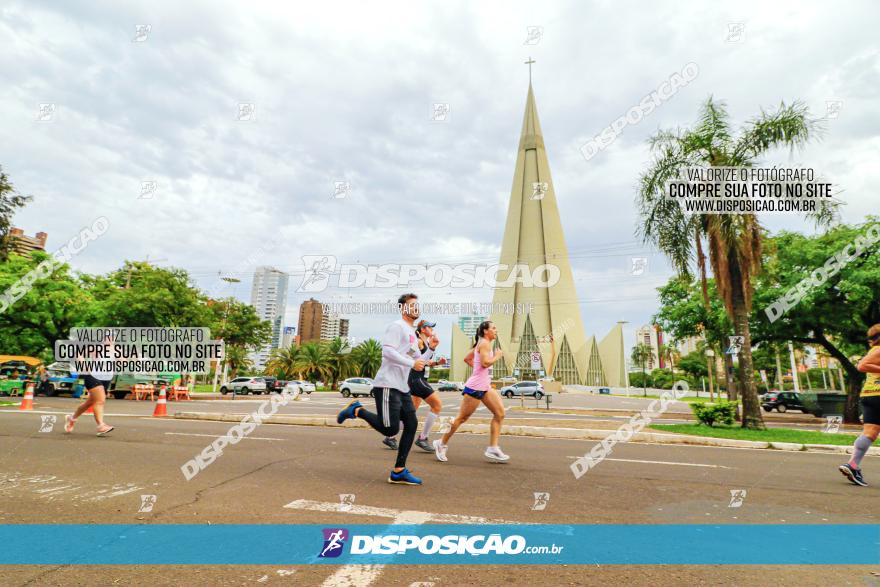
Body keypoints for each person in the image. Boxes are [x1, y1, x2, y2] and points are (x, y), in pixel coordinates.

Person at [337, 293, 426, 485]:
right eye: (412, 305)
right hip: (387, 385)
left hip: (402, 388)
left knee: (411, 424)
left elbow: (417, 361)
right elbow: (387, 351)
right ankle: (357, 410)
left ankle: (399, 471)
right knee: (390, 429)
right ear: (403, 308)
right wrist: (412, 362)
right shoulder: (397, 326)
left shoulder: (412, 333)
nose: (416, 308)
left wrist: (429, 355)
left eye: (418, 305)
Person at [433, 320, 509, 463]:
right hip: (475, 388)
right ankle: (440, 443)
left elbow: (467, 358)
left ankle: (493, 448)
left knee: (499, 414)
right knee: (461, 418)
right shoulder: (485, 344)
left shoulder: (482, 344)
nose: (496, 330)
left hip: (485, 387)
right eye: (493, 328)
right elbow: (486, 363)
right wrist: (497, 357)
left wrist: (477, 369)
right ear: (486, 331)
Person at [382, 320, 447, 452]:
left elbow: (423, 361)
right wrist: (431, 350)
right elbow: (412, 358)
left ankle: (390, 436)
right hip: (415, 378)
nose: (432, 329)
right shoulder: (417, 342)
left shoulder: (426, 343)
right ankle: (423, 438)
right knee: (437, 405)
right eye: (429, 327)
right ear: (423, 329)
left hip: (418, 378)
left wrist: (436, 363)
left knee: (410, 412)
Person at [839, 324, 880, 486]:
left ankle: (853, 465)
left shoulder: (873, 350)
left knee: (869, 433)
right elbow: (862, 366)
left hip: (869, 394)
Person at [65, 337, 115, 436]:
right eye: (107, 337)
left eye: (112, 338)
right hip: (92, 376)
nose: (109, 340)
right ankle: (101, 426)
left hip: (106, 379)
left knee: (89, 403)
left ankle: (72, 418)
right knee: (100, 401)